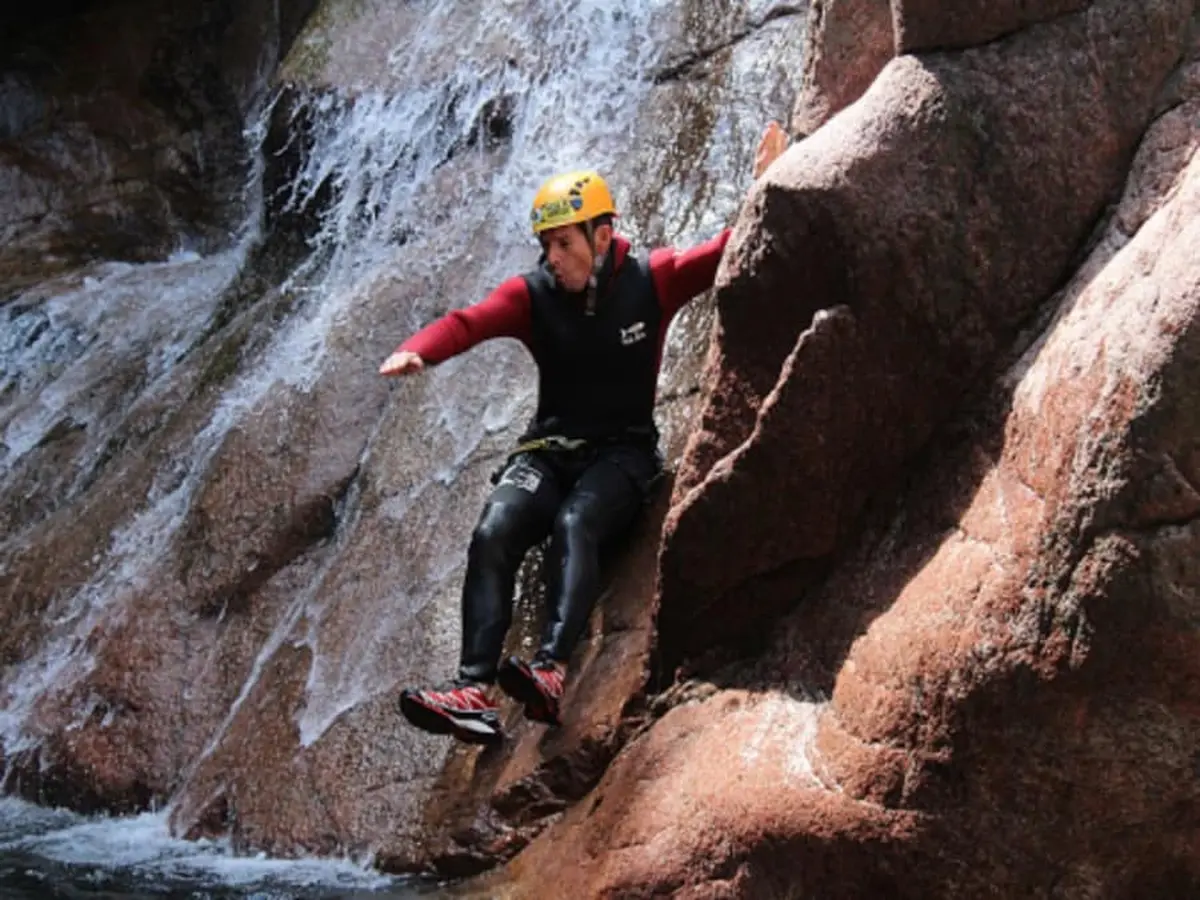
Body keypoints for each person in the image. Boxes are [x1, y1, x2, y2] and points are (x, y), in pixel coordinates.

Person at [382, 122, 789, 744]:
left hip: (623, 454)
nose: (554, 257)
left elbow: (725, 250)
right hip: (549, 449)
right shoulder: (534, 294)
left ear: (602, 235)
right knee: (494, 529)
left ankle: (549, 671)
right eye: (546, 244)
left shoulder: (652, 278)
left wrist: (767, 186)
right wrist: (420, 351)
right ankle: (473, 693)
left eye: (565, 243)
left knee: (576, 523)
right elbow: (469, 322)